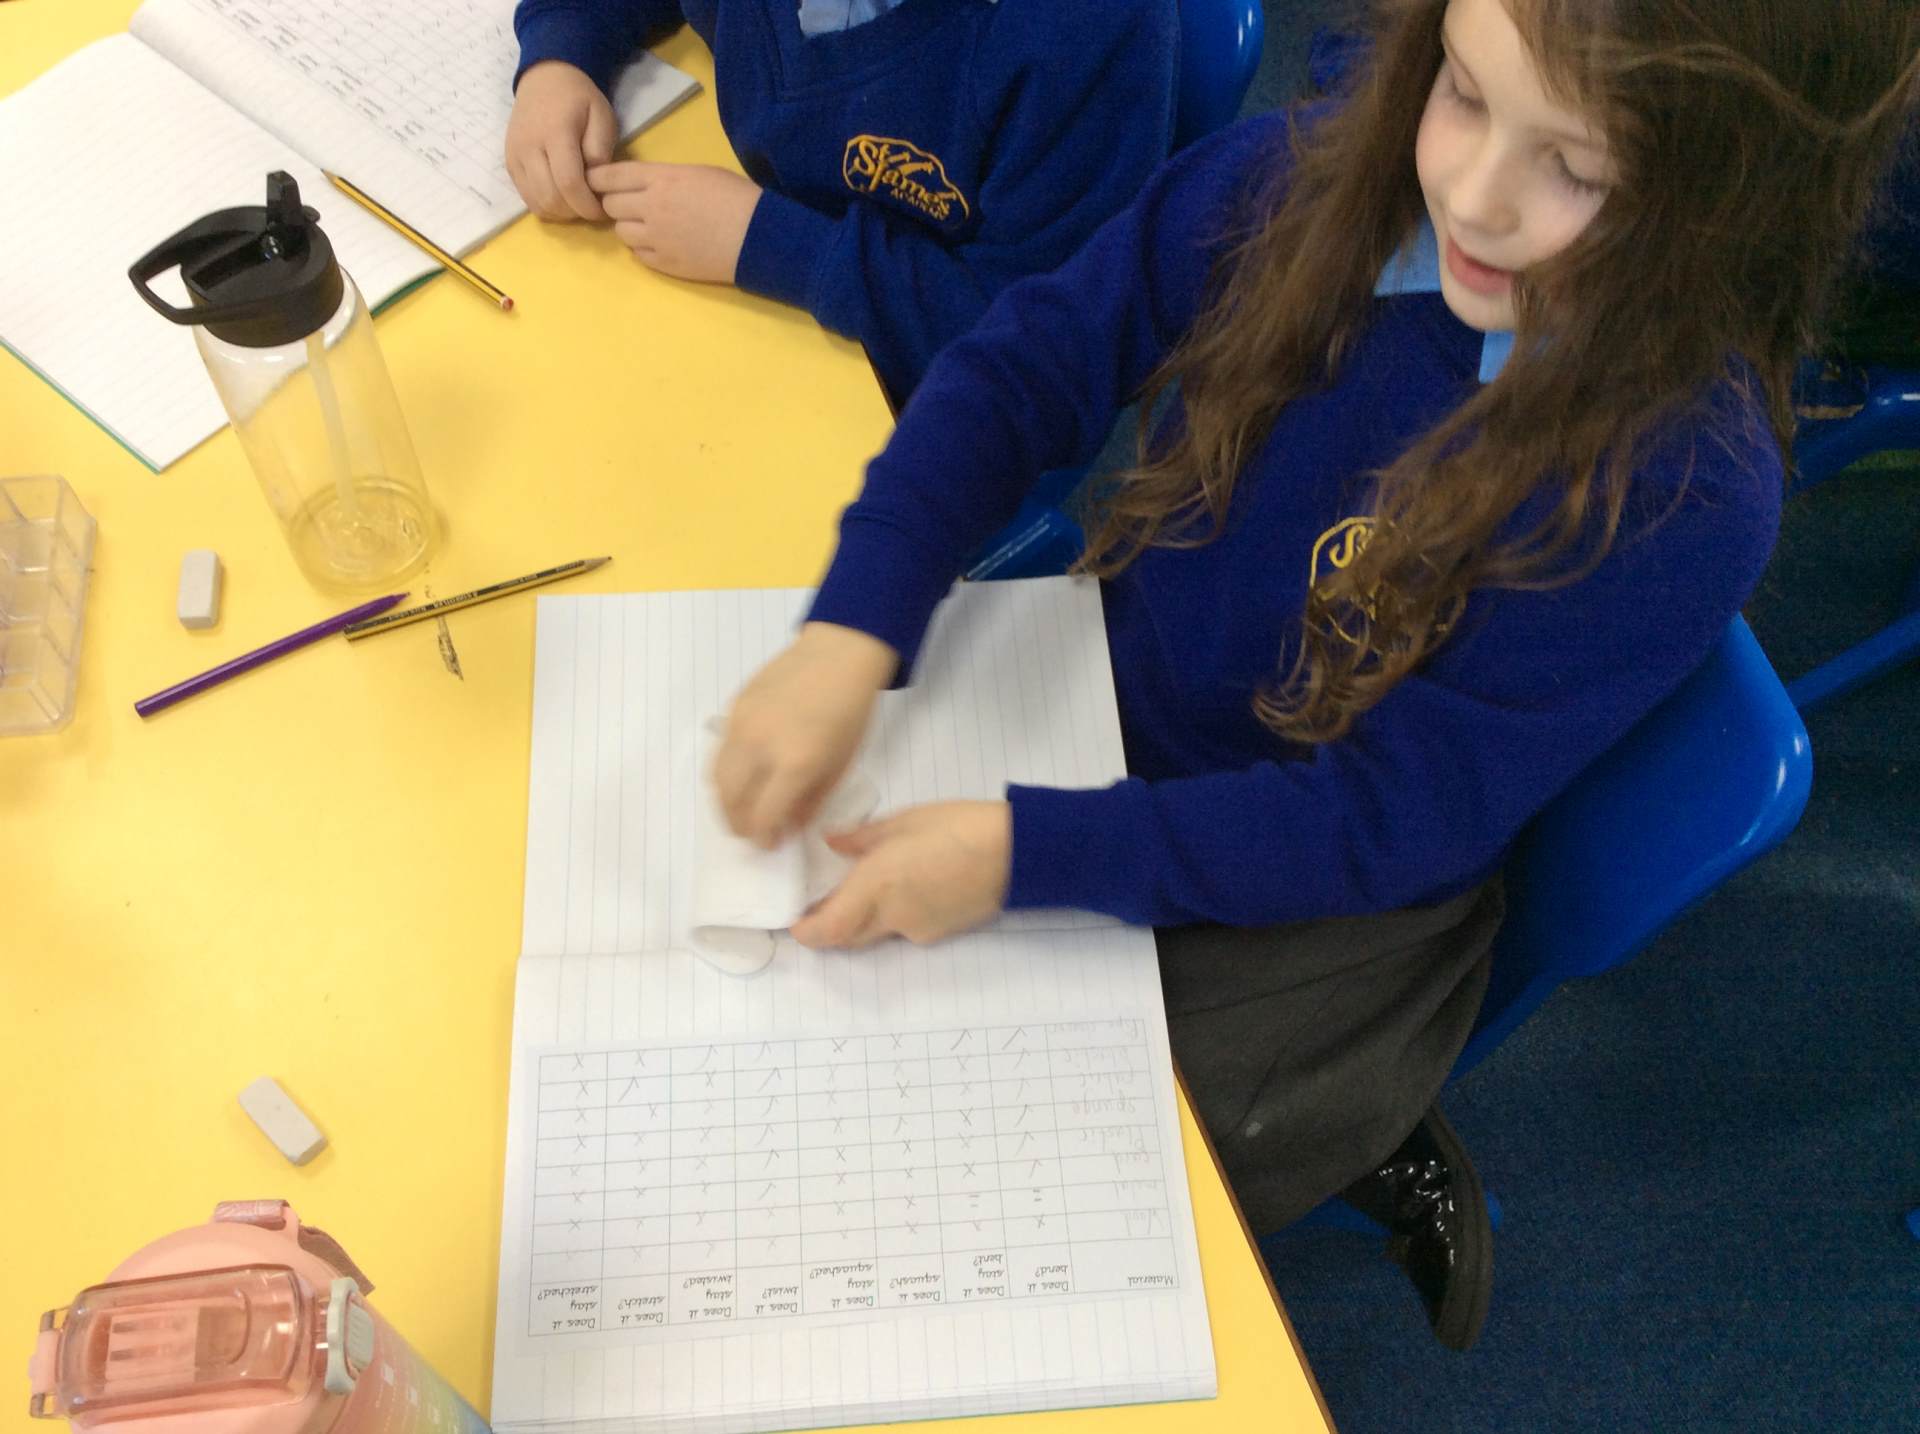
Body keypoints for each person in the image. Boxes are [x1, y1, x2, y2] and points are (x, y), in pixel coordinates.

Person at [710, 0, 1920, 1349]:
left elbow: (1381, 821)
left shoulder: (1680, 486)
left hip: (1332, 883)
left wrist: (1021, 855)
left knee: (981, 1189)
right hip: (1127, 714)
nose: (1470, 194)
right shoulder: (1305, 181)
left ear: (1733, 203)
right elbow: (1026, 365)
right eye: (1463, 90)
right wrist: (854, 626)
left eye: (1579, 169)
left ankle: (1375, 1124)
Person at [505, 0, 1179, 402]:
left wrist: (778, 247)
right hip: (746, 306)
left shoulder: (1084, 33)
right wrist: (559, 58)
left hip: (925, 397)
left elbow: (1050, 354)